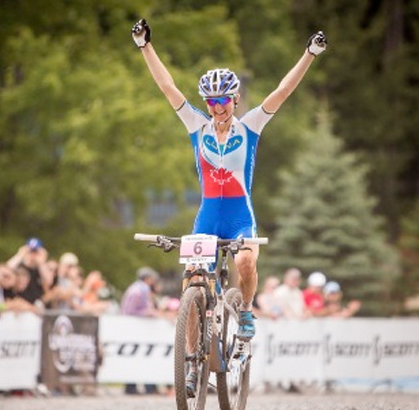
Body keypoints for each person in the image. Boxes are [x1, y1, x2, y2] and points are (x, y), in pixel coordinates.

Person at [131, 18, 327, 343]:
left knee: (246, 262)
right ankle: (191, 358)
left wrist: (310, 53)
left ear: (235, 99)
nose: (217, 107)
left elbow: (282, 91)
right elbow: (168, 87)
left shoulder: (250, 126)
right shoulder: (197, 126)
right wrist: (145, 45)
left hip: (239, 217)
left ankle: (246, 310)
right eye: (211, 101)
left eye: (223, 100)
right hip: (207, 216)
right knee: (192, 280)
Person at [120, 267, 162, 395]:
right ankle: (138, 387)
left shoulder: (135, 288)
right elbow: (132, 310)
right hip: (134, 327)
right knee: (139, 355)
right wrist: (151, 313)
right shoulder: (142, 290)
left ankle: (132, 386)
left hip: (130, 326)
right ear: (148, 279)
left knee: (133, 356)